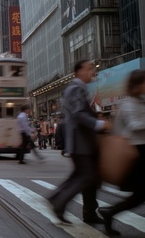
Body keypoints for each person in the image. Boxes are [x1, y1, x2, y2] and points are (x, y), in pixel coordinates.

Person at [48, 59, 111, 224]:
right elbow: (78, 113)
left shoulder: (79, 89)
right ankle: (59, 203)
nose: (92, 72)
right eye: (89, 68)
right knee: (87, 176)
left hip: (83, 143)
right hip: (80, 143)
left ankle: (87, 212)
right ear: (79, 71)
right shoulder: (76, 88)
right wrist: (98, 124)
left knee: (85, 176)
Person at [98, 69, 145, 236]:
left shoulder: (141, 101)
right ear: (138, 84)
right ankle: (110, 212)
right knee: (140, 195)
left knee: (140, 195)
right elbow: (134, 125)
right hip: (137, 152)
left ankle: (110, 212)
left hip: (141, 150)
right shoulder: (130, 103)